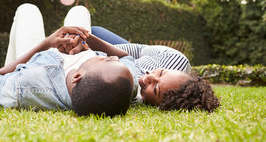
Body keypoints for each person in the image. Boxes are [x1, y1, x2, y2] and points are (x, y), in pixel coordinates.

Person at [0, 4, 138, 117]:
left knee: (28, 9)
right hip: (82, 44)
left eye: (106, 61)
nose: (112, 57)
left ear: (77, 77)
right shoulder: (124, 85)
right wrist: (86, 37)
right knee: (79, 10)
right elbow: (126, 57)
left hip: (36, 56)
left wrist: (47, 44)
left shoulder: (27, 86)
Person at [90, 26, 220, 112]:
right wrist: (88, 40)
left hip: (112, 63)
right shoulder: (174, 59)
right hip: (133, 54)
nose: (150, 77)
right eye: (161, 73)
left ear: (160, 105)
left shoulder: (129, 94)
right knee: (94, 30)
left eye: (155, 88)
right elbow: (137, 50)